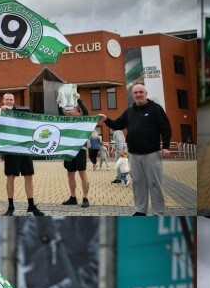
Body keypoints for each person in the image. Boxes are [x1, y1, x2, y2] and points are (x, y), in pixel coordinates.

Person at [100, 84, 172, 216]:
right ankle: (140, 210)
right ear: (133, 95)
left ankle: (158, 211)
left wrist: (166, 147)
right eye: (135, 93)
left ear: (146, 93)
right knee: (138, 183)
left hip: (152, 153)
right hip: (133, 154)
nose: (138, 95)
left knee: (155, 183)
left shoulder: (155, 109)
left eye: (141, 92)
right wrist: (106, 120)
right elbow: (118, 124)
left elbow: (166, 128)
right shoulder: (129, 111)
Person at [0, 93, 44, 216]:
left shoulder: (21, 112)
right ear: (3, 101)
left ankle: (31, 206)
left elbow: (28, 112)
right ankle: (11, 207)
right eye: (7, 100)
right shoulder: (0, 115)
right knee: (10, 177)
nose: (9, 101)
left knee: (29, 177)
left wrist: (12, 109)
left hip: (25, 149)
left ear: (14, 101)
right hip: (11, 151)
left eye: (11, 100)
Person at [62, 98, 92, 208]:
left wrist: (79, 100)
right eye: (69, 109)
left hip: (80, 150)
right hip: (68, 150)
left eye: (73, 109)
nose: (70, 111)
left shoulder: (83, 120)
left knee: (82, 173)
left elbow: (86, 112)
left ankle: (85, 197)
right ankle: (73, 197)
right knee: (70, 173)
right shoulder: (66, 122)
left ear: (79, 112)